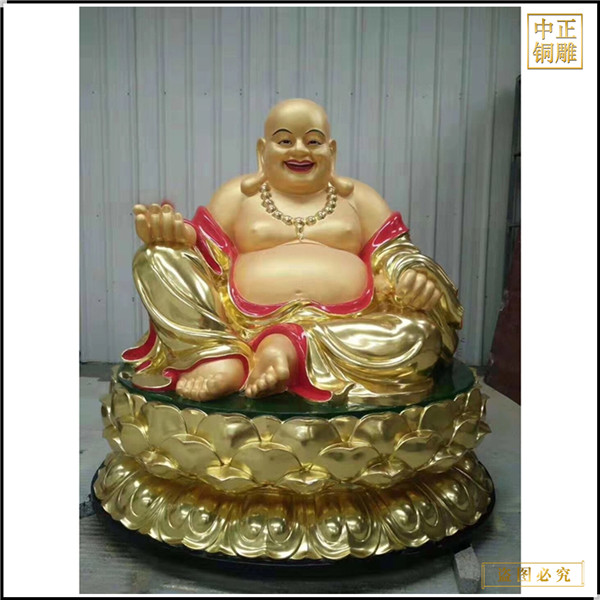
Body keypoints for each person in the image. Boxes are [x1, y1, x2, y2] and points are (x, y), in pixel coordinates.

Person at [125, 99, 462, 405]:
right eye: (285, 141)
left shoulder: (361, 200)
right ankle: (217, 355)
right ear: (263, 150)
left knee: (420, 338)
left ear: (332, 151)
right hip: (242, 323)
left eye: (313, 141)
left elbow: (397, 253)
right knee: (155, 259)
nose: (300, 151)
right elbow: (205, 252)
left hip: (344, 327)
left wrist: (412, 277)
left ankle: (285, 349)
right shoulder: (237, 197)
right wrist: (174, 236)